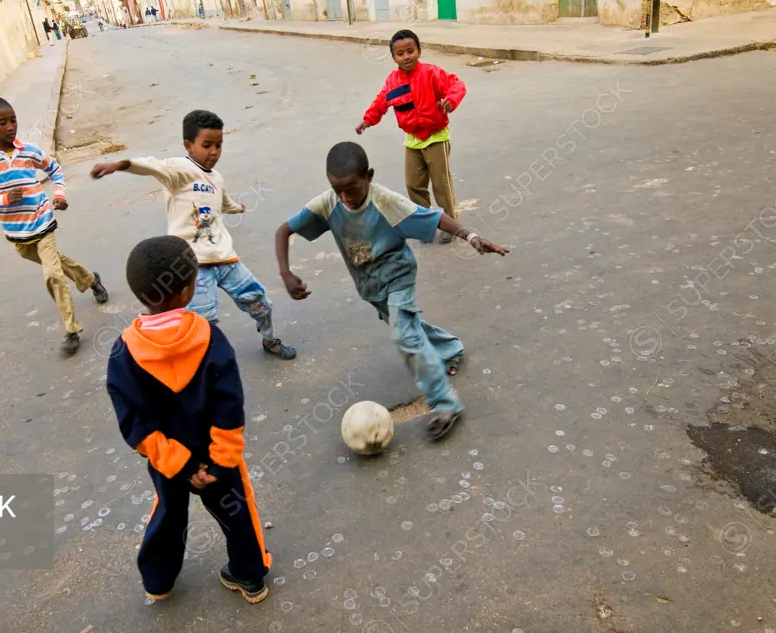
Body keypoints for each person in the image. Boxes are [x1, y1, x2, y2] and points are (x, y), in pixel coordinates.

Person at [274, 142, 507, 439]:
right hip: (369, 286)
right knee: (408, 325)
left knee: (404, 334)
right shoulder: (328, 203)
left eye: (352, 188)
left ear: (368, 176)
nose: (345, 197)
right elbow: (284, 230)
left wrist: (471, 236)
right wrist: (285, 272)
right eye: (337, 189)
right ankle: (450, 348)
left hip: (398, 277)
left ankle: (446, 403)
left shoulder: (385, 202)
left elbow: (433, 218)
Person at [107, 235, 272, 603]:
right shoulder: (210, 337)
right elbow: (230, 405)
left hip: (168, 462)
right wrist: (220, 460)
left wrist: (179, 464)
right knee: (237, 512)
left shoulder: (124, 352)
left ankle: (158, 581)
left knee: (168, 513)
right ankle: (250, 578)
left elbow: (133, 424)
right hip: (217, 457)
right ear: (186, 292)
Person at [90, 110, 296, 360]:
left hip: (226, 259)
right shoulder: (179, 171)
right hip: (194, 266)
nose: (214, 152)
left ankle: (270, 340)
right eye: (207, 145)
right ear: (188, 145)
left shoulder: (217, 178)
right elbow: (150, 165)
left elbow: (224, 202)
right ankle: (204, 367)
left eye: (219, 145)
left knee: (260, 302)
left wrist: (238, 208)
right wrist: (118, 165)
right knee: (203, 322)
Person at [0, 96, 109, 355]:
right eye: (2, 122)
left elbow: (54, 169)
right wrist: (1, 198)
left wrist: (60, 194)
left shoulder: (28, 151)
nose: (10, 127)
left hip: (42, 223)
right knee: (58, 264)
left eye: (13, 119)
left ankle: (71, 330)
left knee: (53, 275)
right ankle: (90, 279)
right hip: (16, 234)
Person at [357, 29, 466, 243]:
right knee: (413, 184)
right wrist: (368, 120)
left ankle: (451, 224)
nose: (406, 56)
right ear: (394, 57)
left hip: (436, 136)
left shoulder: (431, 73)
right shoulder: (392, 82)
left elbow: (456, 85)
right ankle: (426, 222)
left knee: (441, 185)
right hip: (413, 139)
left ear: (419, 51)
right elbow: (381, 102)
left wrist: (450, 101)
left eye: (410, 51)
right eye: (400, 53)